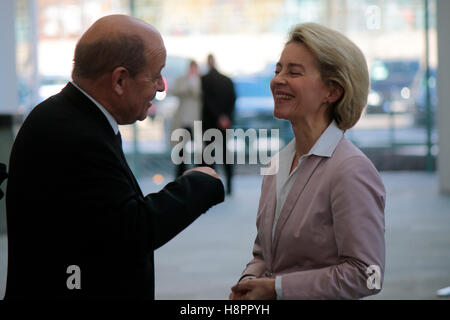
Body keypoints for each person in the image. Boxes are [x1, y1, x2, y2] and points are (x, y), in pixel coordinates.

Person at [5, 14, 224, 299]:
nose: (161, 87)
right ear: (120, 80)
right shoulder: (76, 134)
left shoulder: (67, 116)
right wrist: (198, 183)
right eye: (155, 75)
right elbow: (129, 231)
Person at [230, 23, 386, 300]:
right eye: (278, 70)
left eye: (294, 72)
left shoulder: (350, 169)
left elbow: (368, 275)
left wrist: (277, 289)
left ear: (333, 92)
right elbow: (264, 253)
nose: (277, 80)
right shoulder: (277, 164)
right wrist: (249, 279)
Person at [201, 54, 236, 195]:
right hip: (225, 124)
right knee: (226, 154)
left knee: (209, 156)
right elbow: (233, 99)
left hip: (209, 123)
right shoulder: (227, 80)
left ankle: (210, 187)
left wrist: (217, 117)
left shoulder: (204, 80)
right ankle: (229, 186)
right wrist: (225, 117)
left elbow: (207, 101)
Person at [171, 60, 202, 177]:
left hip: (196, 120)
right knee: (181, 151)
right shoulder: (182, 80)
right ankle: (179, 177)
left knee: (199, 151)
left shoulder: (201, 80)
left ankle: (198, 175)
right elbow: (175, 91)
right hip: (183, 120)